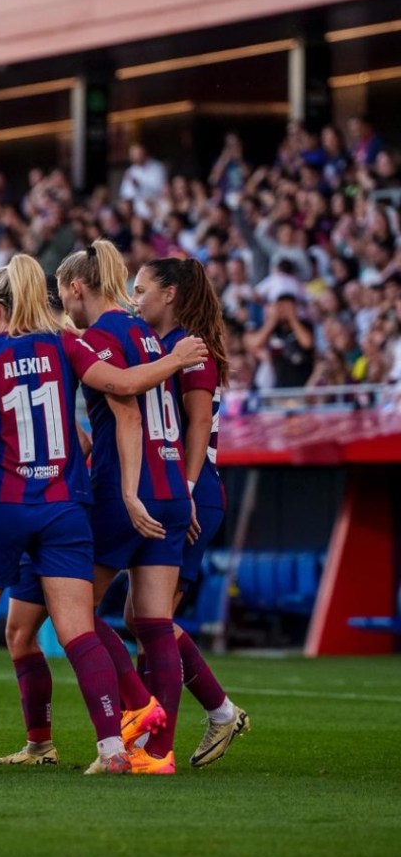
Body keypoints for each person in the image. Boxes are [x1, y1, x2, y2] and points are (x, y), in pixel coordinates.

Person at [0, 255, 206, 774]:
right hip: (63, 508)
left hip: (2, 505)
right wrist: (174, 361)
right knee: (79, 632)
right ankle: (112, 749)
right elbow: (122, 391)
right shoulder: (66, 344)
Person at [56, 240, 194, 775]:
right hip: (170, 482)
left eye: (63, 294)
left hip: (125, 487)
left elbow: (128, 413)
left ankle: (138, 708)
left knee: (77, 612)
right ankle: (160, 754)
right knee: (156, 624)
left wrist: (128, 492)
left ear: (76, 287)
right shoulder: (145, 330)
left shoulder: (105, 335)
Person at [131, 257, 251, 767]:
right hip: (181, 487)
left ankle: (182, 728)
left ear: (170, 294)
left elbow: (199, 422)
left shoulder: (192, 350)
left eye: (140, 289)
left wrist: (184, 486)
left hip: (192, 491)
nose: (134, 299)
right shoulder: (168, 348)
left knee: (151, 620)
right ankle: (157, 726)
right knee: (144, 619)